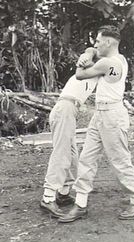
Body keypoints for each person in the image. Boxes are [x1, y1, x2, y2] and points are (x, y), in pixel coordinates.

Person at [58, 25, 134, 223]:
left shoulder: (110, 63)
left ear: (107, 42)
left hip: (113, 116)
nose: (95, 44)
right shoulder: (117, 58)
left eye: (98, 41)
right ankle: (80, 204)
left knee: (120, 160)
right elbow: (93, 54)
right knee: (86, 158)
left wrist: (83, 59)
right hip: (100, 114)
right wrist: (88, 52)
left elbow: (80, 75)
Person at [39, 48, 99, 218]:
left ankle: (63, 193)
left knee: (72, 153)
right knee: (62, 152)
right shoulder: (91, 64)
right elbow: (89, 51)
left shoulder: (99, 68)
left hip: (69, 110)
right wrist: (87, 54)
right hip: (65, 107)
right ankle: (48, 197)